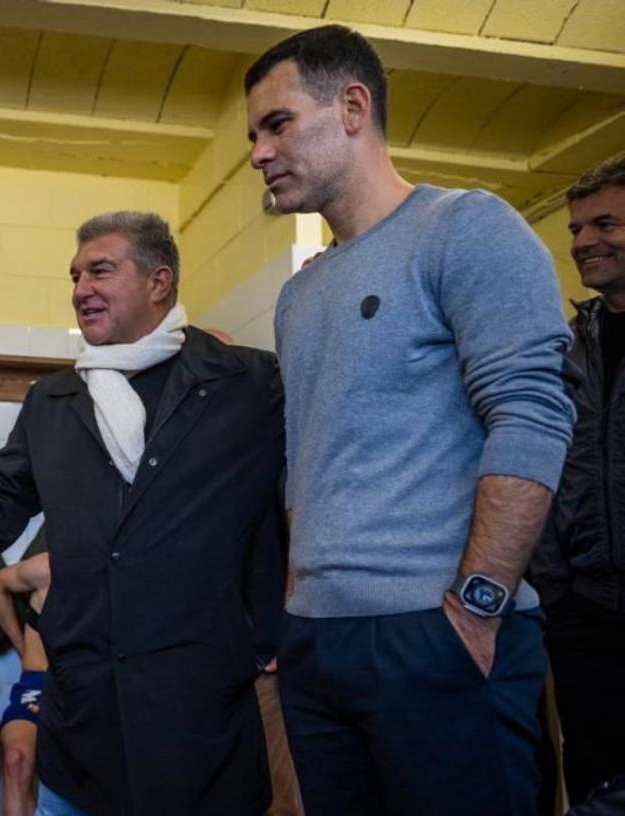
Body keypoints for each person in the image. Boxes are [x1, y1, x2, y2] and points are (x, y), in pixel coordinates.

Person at [244, 24, 575, 816]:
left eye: (277, 124)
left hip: (438, 633)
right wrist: (298, 613)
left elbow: (531, 415)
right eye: (253, 134)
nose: (257, 151)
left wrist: (477, 606)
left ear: (352, 106)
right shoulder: (300, 293)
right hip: (320, 644)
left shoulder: (464, 227)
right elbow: (304, 464)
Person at [0, 210, 286, 815]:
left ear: (159, 282)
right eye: (76, 276)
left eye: (100, 271)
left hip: (199, 703)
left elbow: (300, 497)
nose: (81, 290)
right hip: (83, 710)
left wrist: (269, 628)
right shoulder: (54, 399)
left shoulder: (247, 384)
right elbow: (3, 490)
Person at [530, 154, 625, 806]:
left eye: (605, 224)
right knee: (592, 772)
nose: (583, 242)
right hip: (584, 614)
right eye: (575, 229)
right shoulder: (570, 342)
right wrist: (555, 590)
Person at [0, 551, 51, 816]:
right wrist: (23, 649)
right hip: (38, 684)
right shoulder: (46, 567)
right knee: (16, 760)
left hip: (88, 692)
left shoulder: (121, 573)